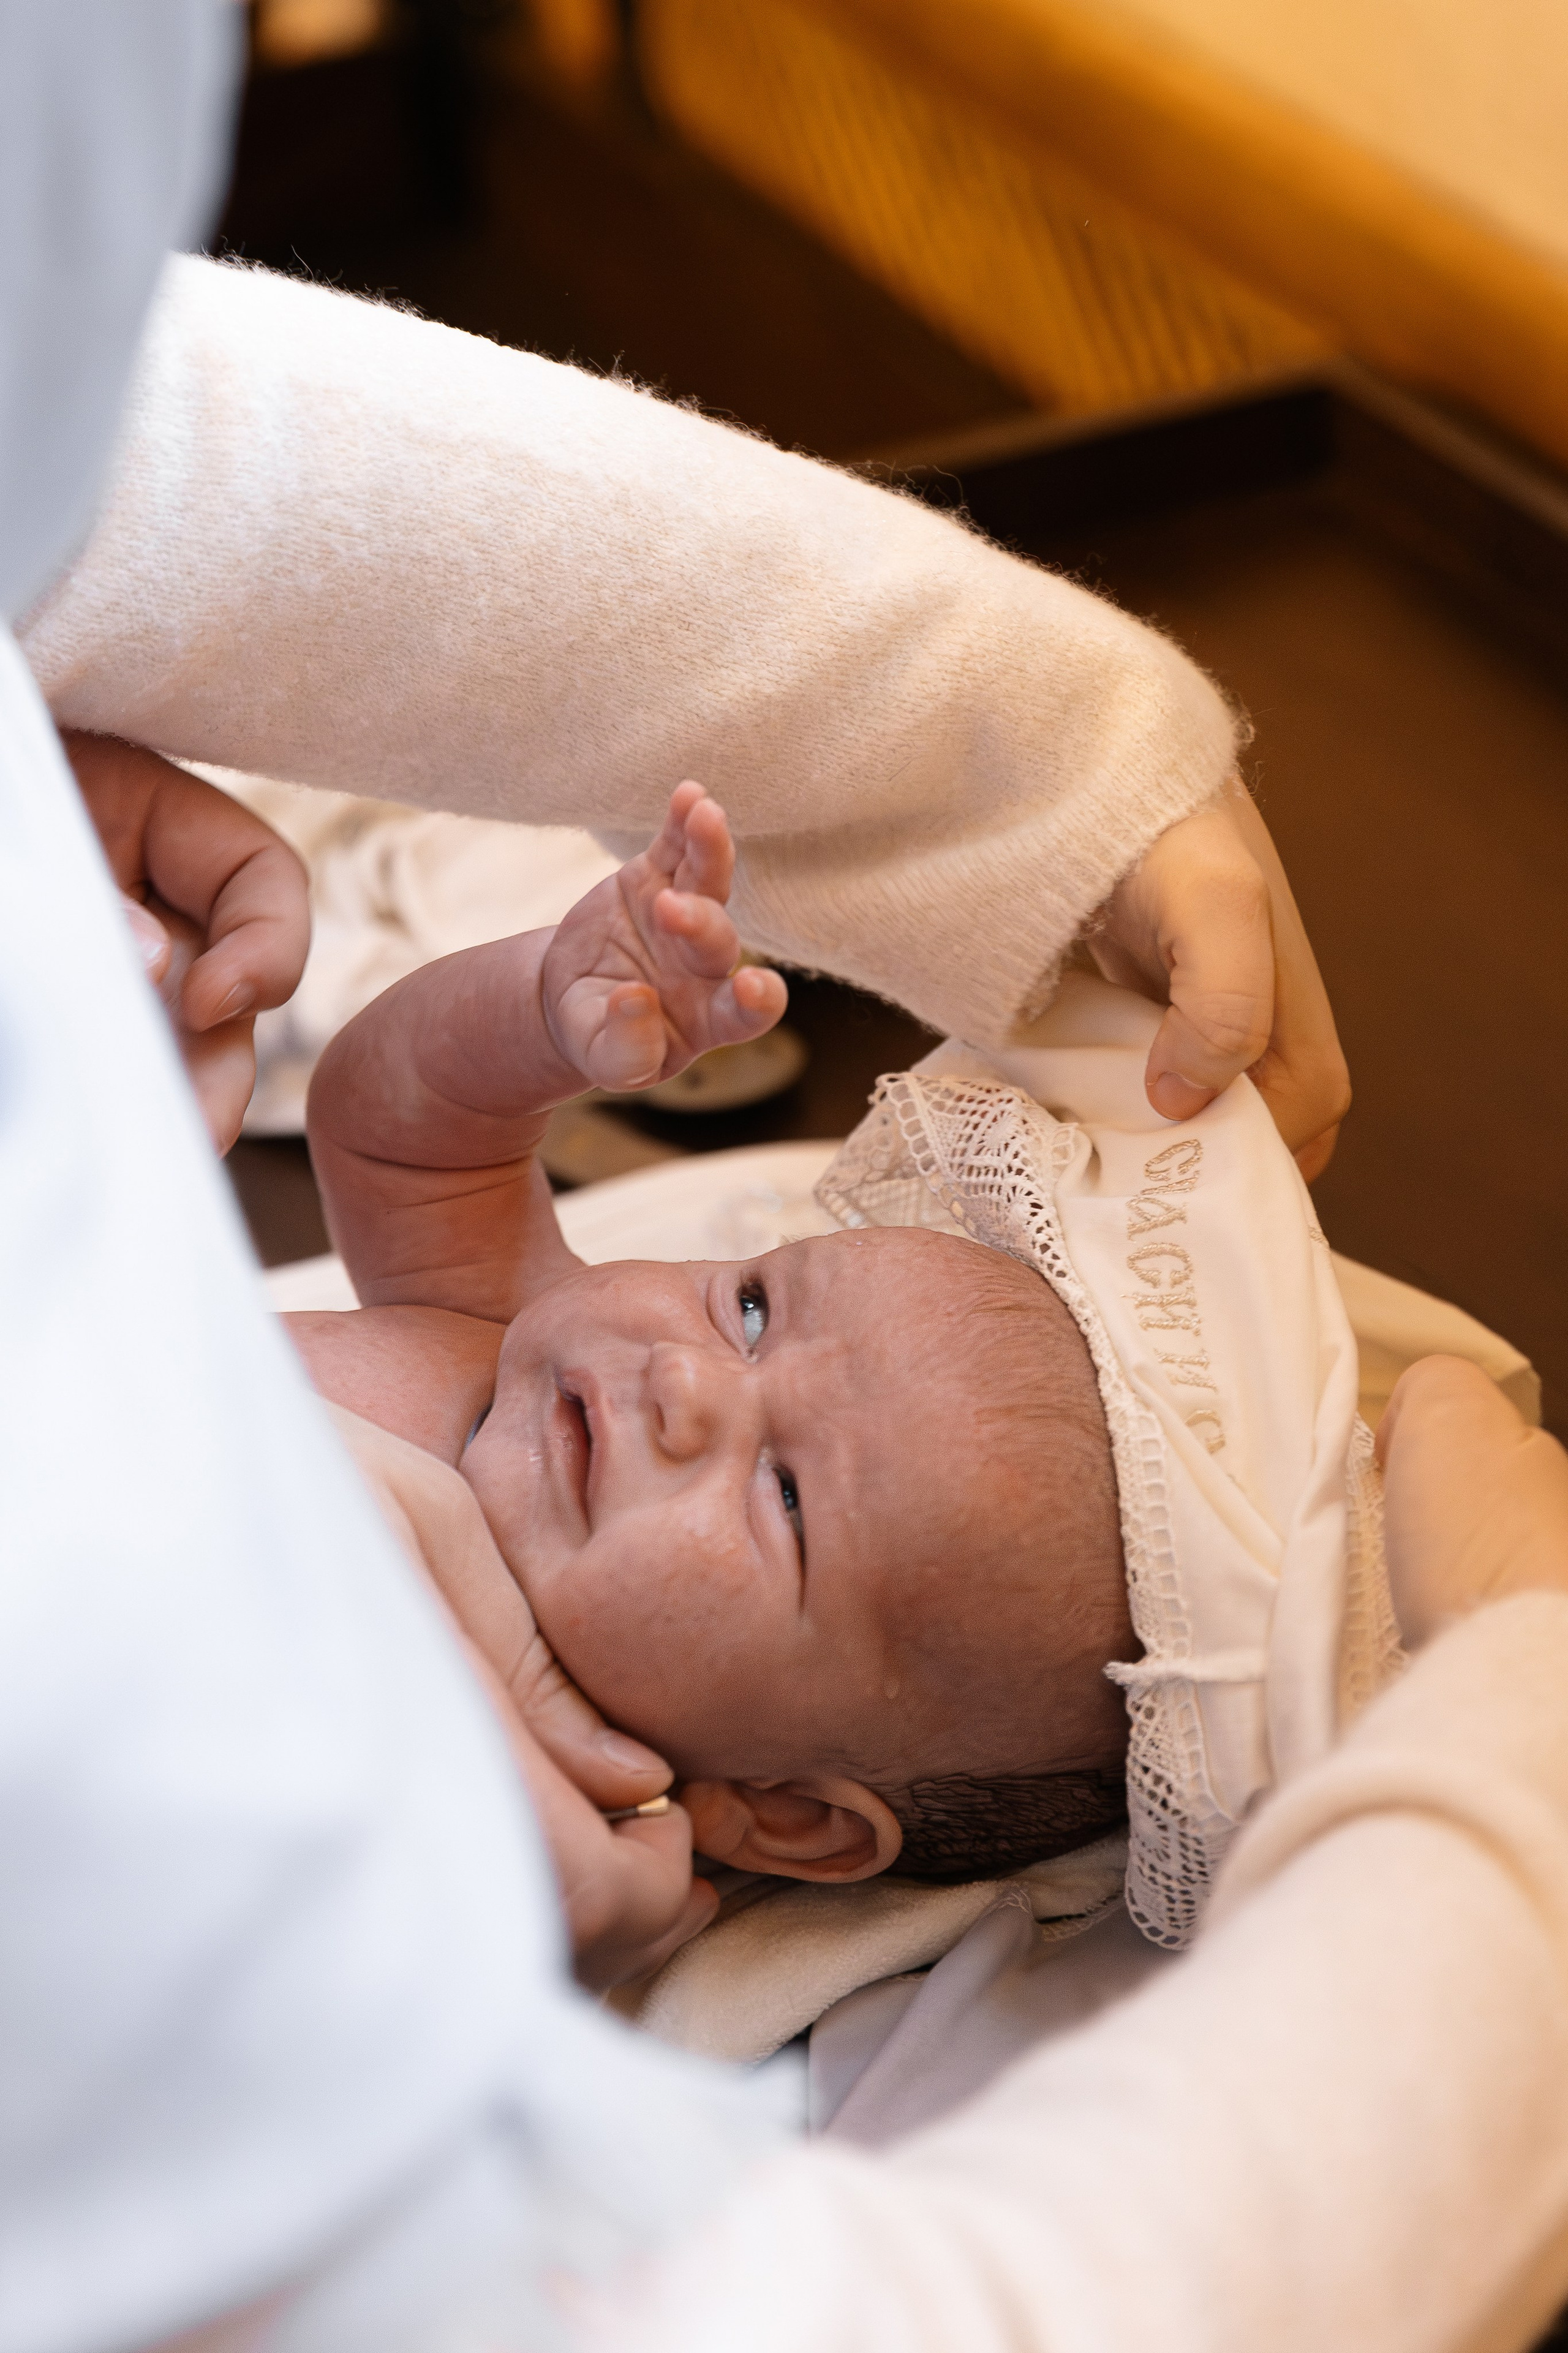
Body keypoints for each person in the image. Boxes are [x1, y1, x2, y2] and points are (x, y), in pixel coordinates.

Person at [14, 11, 1568, 2353]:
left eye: (785, 1504)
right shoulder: (505, 1350)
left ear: (799, 1822)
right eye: (757, 1308)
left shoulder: (563, 1801)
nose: (678, 1378)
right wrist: (549, 1013)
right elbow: (392, 1122)